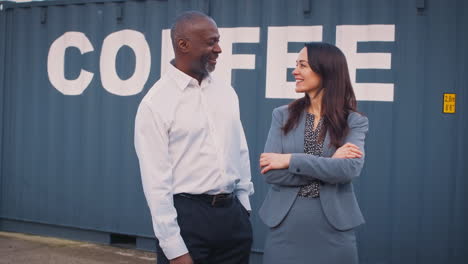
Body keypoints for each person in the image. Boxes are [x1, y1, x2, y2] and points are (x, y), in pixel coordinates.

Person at [134, 11, 254, 264]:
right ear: (183, 45)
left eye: (218, 40)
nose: (219, 49)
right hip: (188, 220)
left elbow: (239, 150)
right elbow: (156, 183)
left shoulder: (226, 92)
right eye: (211, 42)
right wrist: (174, 247)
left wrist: (244, 208)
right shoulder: (155, 103)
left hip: (232, 218)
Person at [258, 42, 368, 264]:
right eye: (296, 65)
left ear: (325, 69)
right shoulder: (282, 115)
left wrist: (290, 160)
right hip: (285, 229)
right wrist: (329, 163)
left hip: (334, 231)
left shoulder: (354, 122)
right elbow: (271, 173)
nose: (295, 71)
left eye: (303, 65)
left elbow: (347, 170)